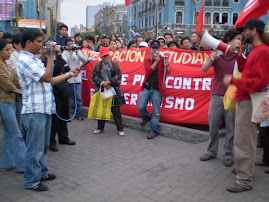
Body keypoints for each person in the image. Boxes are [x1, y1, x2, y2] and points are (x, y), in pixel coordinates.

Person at [16, 29, 80, 191]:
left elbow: (49, 80)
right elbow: (46, 77)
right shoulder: (24, 60)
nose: (41, 45)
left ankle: (42, 172)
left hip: (44, 109)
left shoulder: (35, 59)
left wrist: (68, 75)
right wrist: (51, 57)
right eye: (39, 41)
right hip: (34, 110)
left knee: (42, 146)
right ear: (28, 42)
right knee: (34, 149)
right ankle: (31, 181)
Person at [223, 19, 269, 193]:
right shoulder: (256, 51)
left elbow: (260, 82)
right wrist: (241, 55)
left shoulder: (262, 52)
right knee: (244, 141)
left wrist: (234, 80)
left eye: (245, 31)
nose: (243, 34)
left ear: (254, 31)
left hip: (248, 100)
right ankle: (244, 171)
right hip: (245, 100)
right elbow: (248, 72)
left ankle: (244, 180)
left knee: (244, 142)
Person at [200, 28, 242, 167]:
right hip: (217, 95)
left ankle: (228, 153)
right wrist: (212, 57)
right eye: (238, 39)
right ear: (230, 39)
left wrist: (240, 54)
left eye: (241, 40)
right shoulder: (218, 54)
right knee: (213, 125)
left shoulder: (239, 56)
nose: (240, 42)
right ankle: (211, 150)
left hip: (233, 96)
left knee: (231, 127)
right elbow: (204, 69)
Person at [0, 39, 26, 173]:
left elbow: (16, 80)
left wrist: (23, 87)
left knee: (10, 134)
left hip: (12, 101)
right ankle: (23, 165)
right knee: (17, 134)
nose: (10, 52)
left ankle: (7, 163)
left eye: (11, 49)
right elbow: (7, 84)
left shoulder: (7, 65)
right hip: (4, 102)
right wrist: (20, 90)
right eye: (7, 50)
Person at [137, 41, 171, 139]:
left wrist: (166, 65)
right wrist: (156, 61)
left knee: (156, 112)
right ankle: (147, 117)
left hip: (157, 89)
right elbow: (149, 71)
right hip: (147, 87)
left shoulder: (163, 59)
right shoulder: (147, 59)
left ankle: (154, 130)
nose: (155, 50)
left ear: (159, 49)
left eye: (157, 48)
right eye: (153, 48)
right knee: (141, 107)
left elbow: (168, 72)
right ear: (150, 49)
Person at [92, 47, 125, 136]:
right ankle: (100, 127)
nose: (106, 57)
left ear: (109, 55)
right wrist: (103, 83)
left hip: (113, 90)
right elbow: (94, 77)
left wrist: (110, 82)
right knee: (101, 110)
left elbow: (119, 76)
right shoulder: (97, 65)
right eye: (104, 56)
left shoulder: (115, 65)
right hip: (102, 90)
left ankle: (120, 129)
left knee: (116, 111)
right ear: (101, 57)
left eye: (107, 55)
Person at [50, 46, 76, 152]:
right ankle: (51, 142)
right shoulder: (48, 60)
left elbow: (66, 71)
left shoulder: (61, 60)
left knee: (64, 116)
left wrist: (71, 72)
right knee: (54, 118)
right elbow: (55, 71)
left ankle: (64, 138)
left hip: (63, 91)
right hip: (55, 92)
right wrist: (57, 56)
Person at [62, 37, 87, 121]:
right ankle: (67, 114)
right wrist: (71, 53)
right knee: (69, 98)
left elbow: (85, 59)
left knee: (78, 98)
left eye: (72, 43)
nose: (71, 45)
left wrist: (78, 52)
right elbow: (66, 62)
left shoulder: (77, 51)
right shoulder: (64, 53)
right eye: (69, 43)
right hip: (68, 79)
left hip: (77, 79)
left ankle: (77, 114)